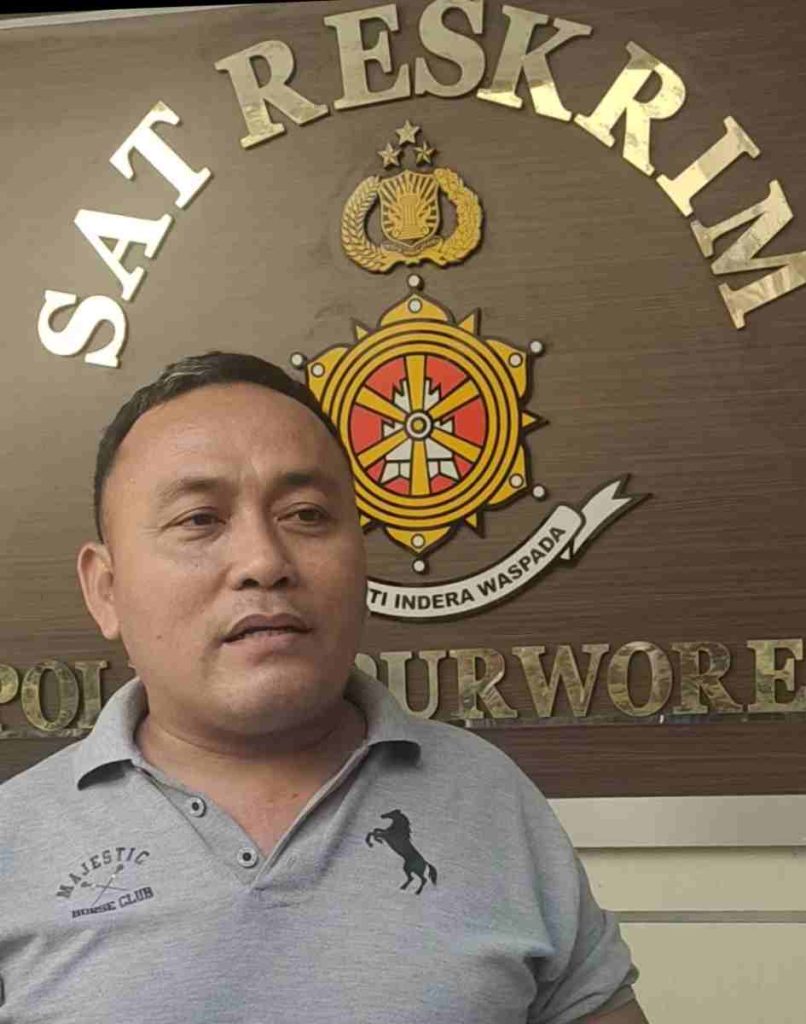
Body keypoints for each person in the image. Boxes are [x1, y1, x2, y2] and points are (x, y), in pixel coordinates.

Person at [0, 352, 647, 1023]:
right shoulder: (12, 841)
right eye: (199, 519)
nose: (264, 561)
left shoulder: (491, 798)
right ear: (106, 589)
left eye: (306, 514)